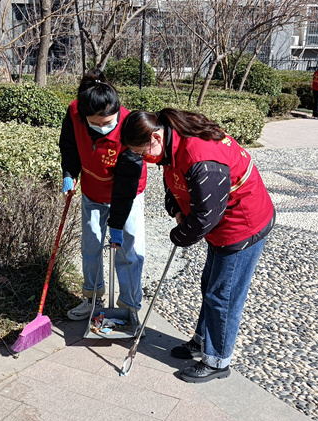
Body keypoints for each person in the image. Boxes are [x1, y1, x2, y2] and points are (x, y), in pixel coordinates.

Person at [118, 108, 275, 383]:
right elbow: (173, 180)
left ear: (155, 137)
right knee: (209, 285)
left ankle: (217, 360)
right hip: (221, 224)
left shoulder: (200, 158)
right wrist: (176, 209)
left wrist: (180, 235)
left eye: (142, 152)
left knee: (223, 296)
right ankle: (202, 341)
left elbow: (206, 215)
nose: (144, 159)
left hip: (242, 223)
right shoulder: (170, 140)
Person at [60, 70, 148, 321]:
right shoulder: (75, 112)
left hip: (128, 193)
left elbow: (126, 184)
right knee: (91, 246)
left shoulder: (130, 126)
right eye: (95, 123)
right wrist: (69, 173)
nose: (103, 128)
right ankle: (92, 298)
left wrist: (116, 225)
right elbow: (69, 146)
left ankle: (129, 306)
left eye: (108, 122)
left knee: (130, 250)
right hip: (92, 191)